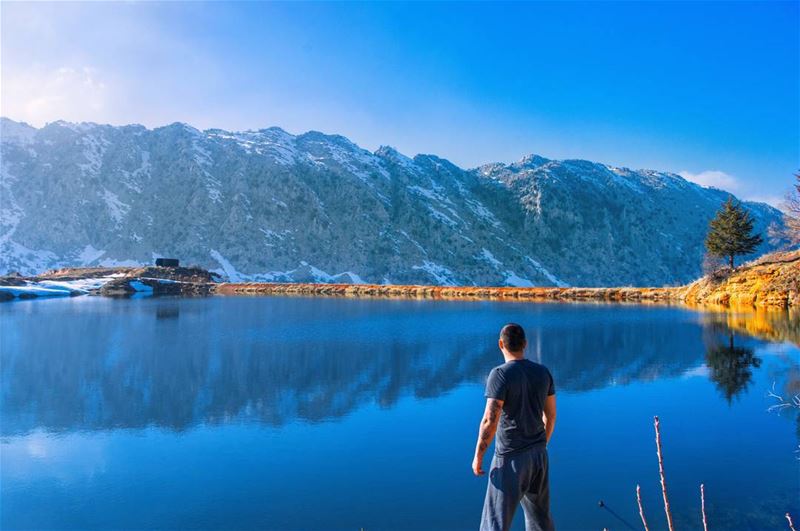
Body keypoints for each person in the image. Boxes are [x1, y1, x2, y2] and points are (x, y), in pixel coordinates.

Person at [472, 323, 557, 531]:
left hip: (510, 458)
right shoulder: (543, 372)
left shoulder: (500, 374)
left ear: (501, 344)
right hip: (539, 456)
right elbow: (551, 416)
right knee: (540, 521)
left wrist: (478, 457)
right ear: (525, 344)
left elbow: (489, 421)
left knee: (494, 524)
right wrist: (540, 445)